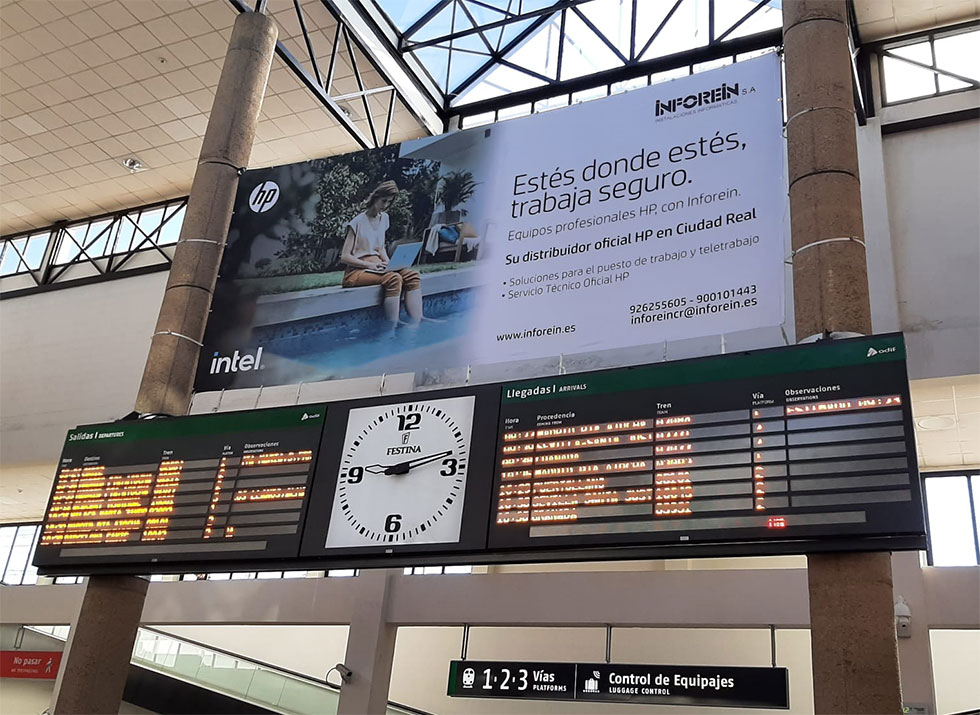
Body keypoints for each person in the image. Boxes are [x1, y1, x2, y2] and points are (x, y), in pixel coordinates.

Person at [340, 180, 426, 329]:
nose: (385, 205)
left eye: (389, 202)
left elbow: (380, 248)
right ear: (375, 197)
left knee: (412, 275)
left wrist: (390, 263)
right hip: (357, 271)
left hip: (378, 265)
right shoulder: (357, 222)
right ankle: (393, 325)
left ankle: (418, 321)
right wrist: (370, 265)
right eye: (383, 201)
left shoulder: (384, 219)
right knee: (394, 279)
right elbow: (345, 257)